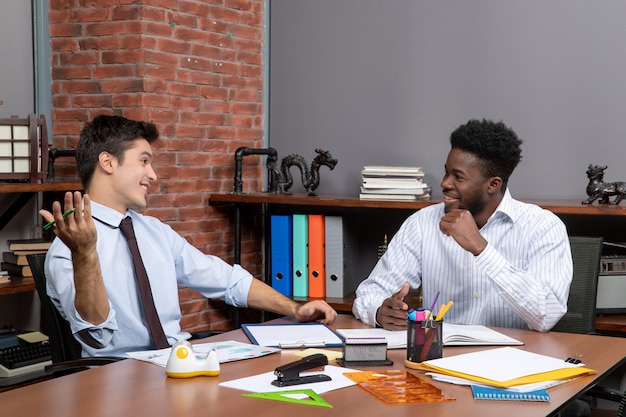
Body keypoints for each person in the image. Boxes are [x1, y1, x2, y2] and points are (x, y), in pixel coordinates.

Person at [39, 114, 337, 358]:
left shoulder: (153, 230)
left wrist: (295, 309)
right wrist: (86, 253)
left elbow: (227, 280)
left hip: (177, 364)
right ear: (108, 162)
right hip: (118, 379)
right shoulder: (68, 249)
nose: (153, 175)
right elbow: (96, 336)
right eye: (144, 161)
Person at [353, 119, 573, 333]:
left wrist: (481, 248)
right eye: (446, 172)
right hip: (441, 359)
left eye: (458, 177)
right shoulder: (422, 223)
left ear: (493, 184)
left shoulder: (543, 227)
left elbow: (547, 315)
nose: (445, 183)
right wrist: (379, 310)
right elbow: (370, 292)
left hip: (515, 361)